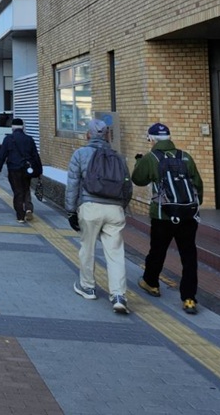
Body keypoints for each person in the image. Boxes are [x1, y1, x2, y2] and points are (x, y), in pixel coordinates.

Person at [132, 122, 204, 315]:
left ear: (152, 139)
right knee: (189, 256)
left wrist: (139, 162)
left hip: (162, 215)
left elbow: (138, 179)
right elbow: (198, 184)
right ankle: (189, 298)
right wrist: (192, 206)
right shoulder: (185, 157)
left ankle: (151, 283)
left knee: (158, 250)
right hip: (187, 215)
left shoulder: (151, 158)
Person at [64, 119, 130, 313]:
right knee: (116, 253)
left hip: (90, 207)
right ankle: (118, 295)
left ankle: (87, 287)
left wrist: (70, 210)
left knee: (88, 248)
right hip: (115, 209)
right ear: (107, 136)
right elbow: (127, 186)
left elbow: (73, 184)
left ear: (88, 135)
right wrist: (121, 206)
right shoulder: (118, 157)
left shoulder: (80, 154)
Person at [0, 118, 42, 223]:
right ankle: (28, 208)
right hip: (27, 169)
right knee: (26, 188)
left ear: (12, 127)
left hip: (14, 169)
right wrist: (39, 170)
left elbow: (2, 154)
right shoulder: (29, 139)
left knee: (18, 191)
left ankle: (20, 216)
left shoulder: (8, 139)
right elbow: (35, 155)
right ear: (23, 127)